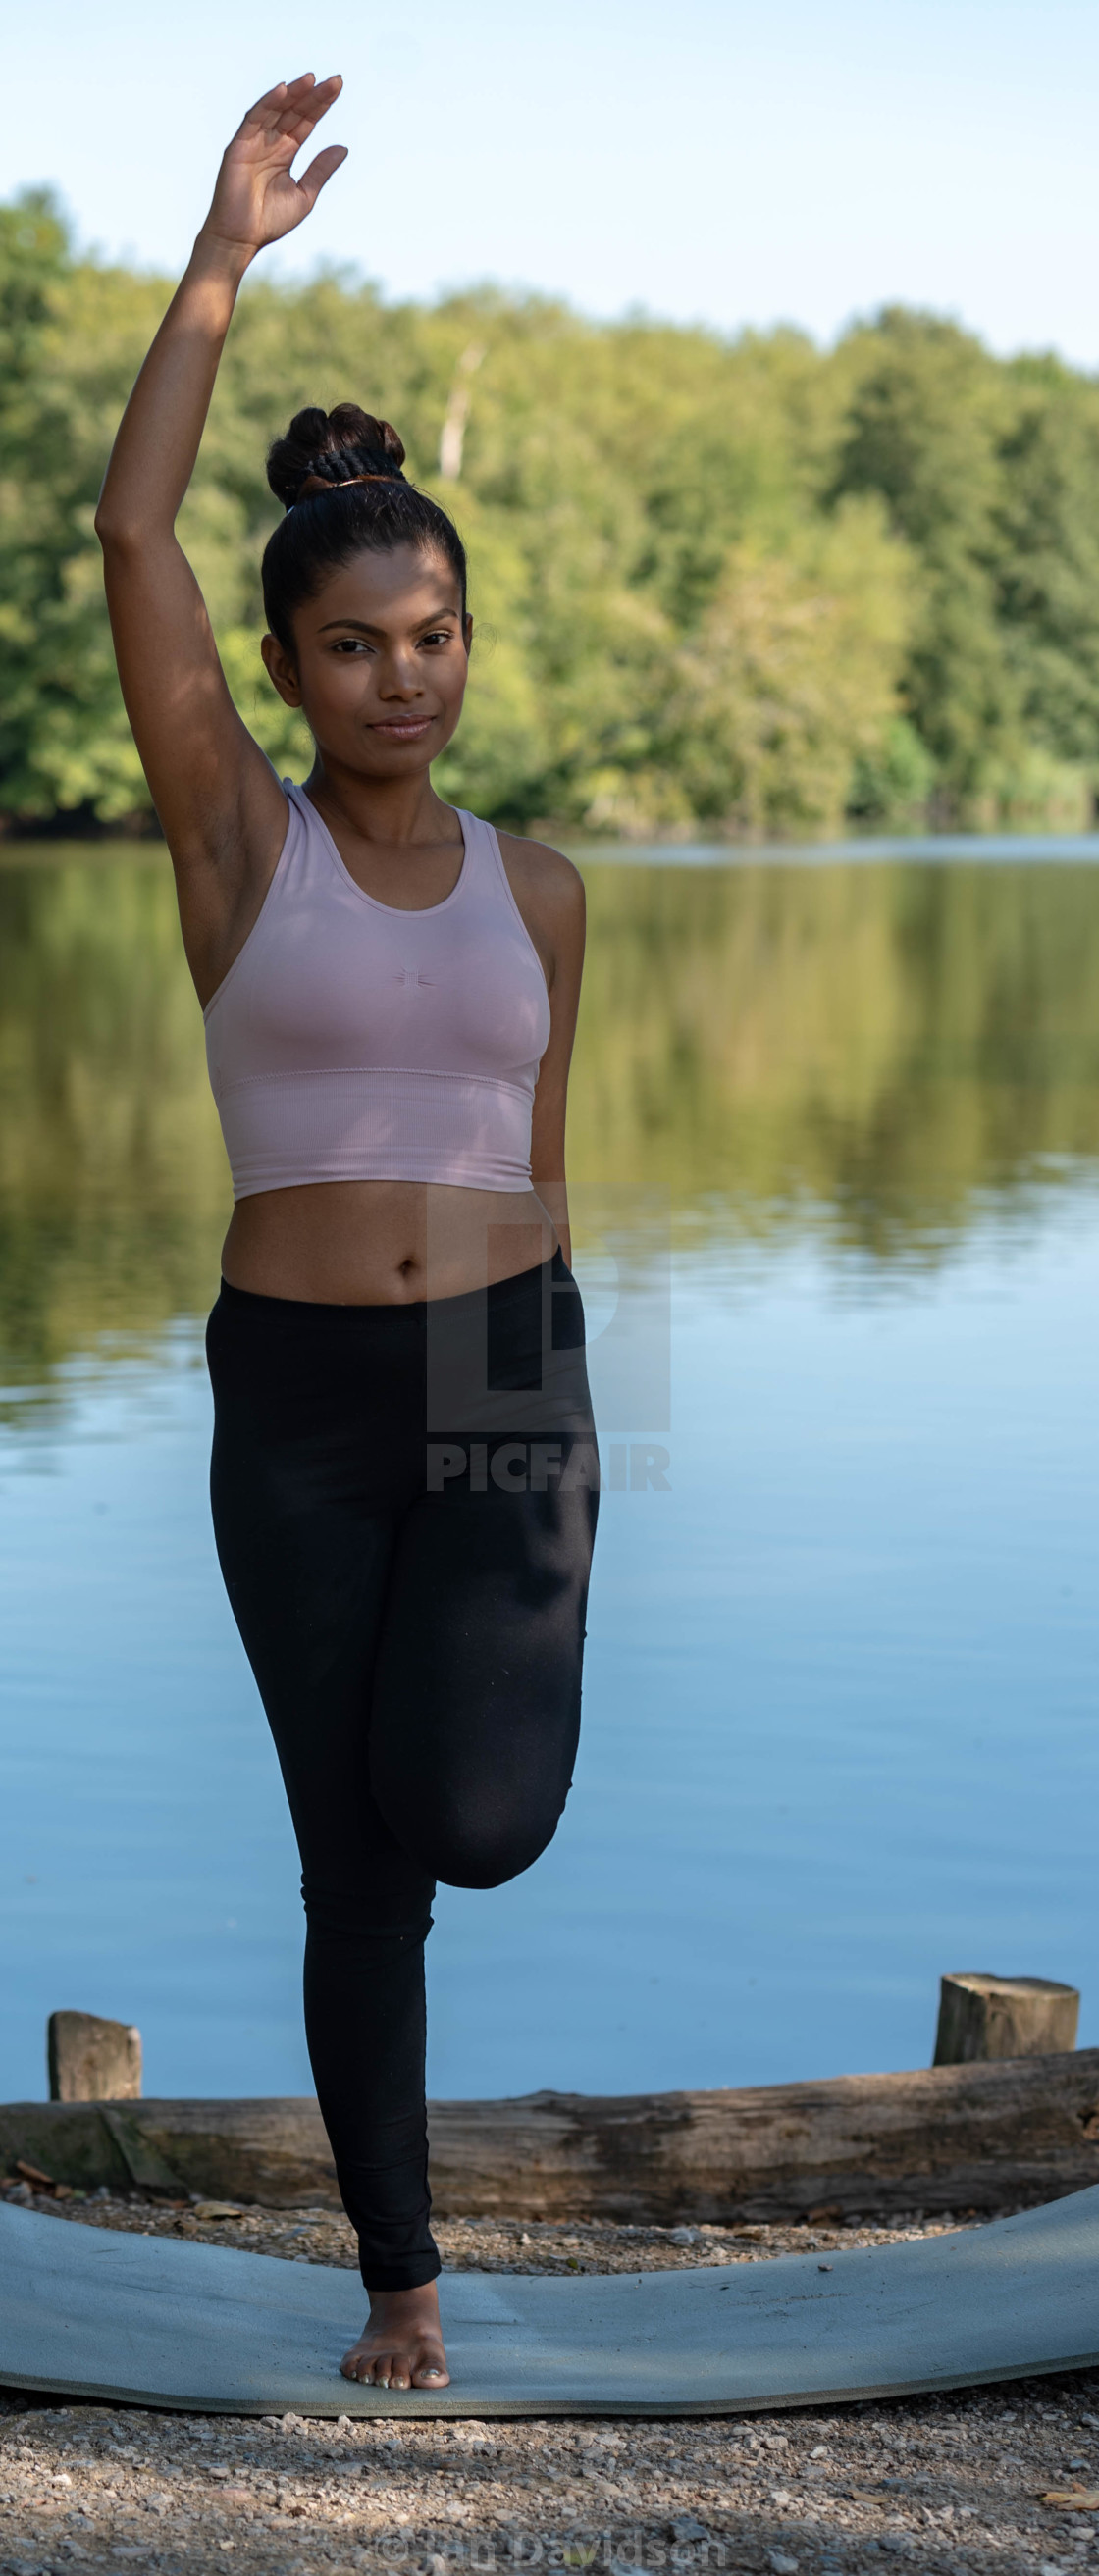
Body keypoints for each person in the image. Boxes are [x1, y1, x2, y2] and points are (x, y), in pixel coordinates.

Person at [95, 74, 600, 2394]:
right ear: (291, 675)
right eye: (361, 642)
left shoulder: (544, 891)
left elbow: (543, 1151)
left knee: (474, 1816)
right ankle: (397, 2275)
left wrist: (556, 1400)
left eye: (439, 633)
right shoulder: (237, 850)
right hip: (288, 1396)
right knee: (350, 1856)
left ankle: (452, 1798)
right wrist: (218, 262)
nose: (407, 669)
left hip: (508, 1357)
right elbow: (131, 542)